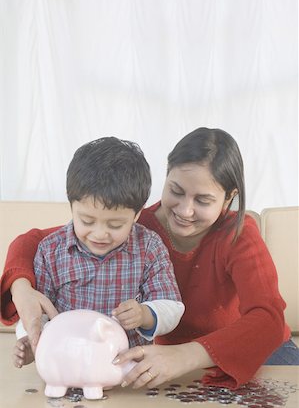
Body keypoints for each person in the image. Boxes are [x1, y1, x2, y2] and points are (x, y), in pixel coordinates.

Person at [1, 128, 298, 389]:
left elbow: (268, 320)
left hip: (255, 353)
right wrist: (22, 289)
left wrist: (186, 354)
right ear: (166, 175)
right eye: (176, 191)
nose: (184, 210)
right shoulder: (131, 224)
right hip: (169, 365)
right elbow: (35, 241)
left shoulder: (239, 234)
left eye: (203, 200)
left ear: (229, 197)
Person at [10, 136, 184, 367]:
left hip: (124, 368)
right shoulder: (51, 250)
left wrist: (144, 314)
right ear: (71, 205)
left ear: (138, 213)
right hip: (66, 363)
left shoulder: (149, 247)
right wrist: (32, 338)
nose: (100, 234)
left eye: (115, 225)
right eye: (87, 221)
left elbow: (172, 306)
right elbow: (37, 309)